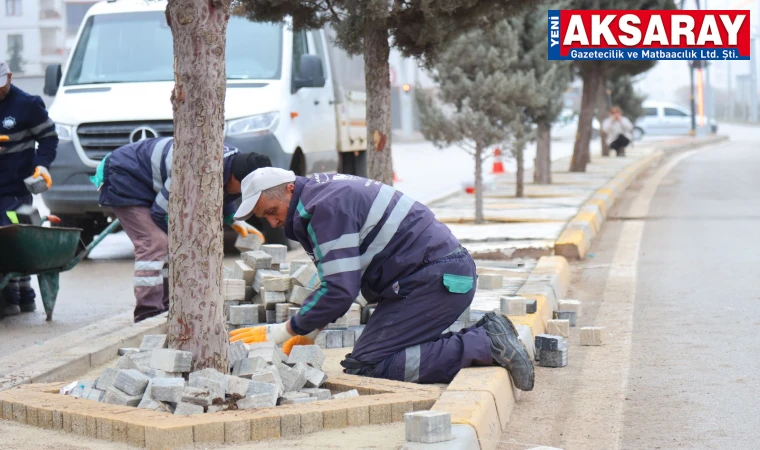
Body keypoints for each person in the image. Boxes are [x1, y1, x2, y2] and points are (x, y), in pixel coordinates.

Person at [229, 168, 534, 388]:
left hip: (436, 279)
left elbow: (340, 290)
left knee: (371, 365)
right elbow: (337, 279)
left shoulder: (325, 209)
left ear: (289, 190)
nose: (273, 222)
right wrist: (309, 332)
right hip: (424, 277)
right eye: (264, 217)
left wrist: (283, 331)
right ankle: (482, 338)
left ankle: (485, 342)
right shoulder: (321, 197)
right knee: (369, 360)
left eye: (272, 210)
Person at [93, 137, 270, 322]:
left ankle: (168, 307)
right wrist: (186, 240)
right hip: (123, 174)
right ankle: (147, 314)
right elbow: (161, 213)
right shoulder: (194, 169)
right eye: (241, 190)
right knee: (156, 242)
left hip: (149, 179)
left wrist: (232, 218)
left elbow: (223, 190)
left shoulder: (236, 163)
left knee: (171, 245)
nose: (240, 194)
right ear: (234, 176)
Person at [0, 60, 58, 317]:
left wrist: (41, 166)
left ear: (9, 77)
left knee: (9, 237)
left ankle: (10, 298)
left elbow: (48, 138)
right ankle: (25, 296)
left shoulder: (28, 105)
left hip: (15, 189)